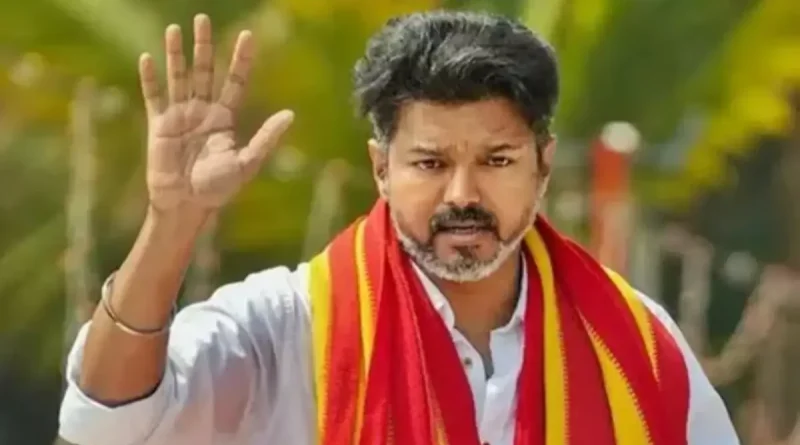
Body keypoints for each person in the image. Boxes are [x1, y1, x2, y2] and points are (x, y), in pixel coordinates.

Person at [58, 10, 739, 445]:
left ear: (544, 165)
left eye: (497, 160)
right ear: (381, 168)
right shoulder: (289, 326)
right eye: (430, 163)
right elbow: (105, 421)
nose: (462, 195)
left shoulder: (635, 345)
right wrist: (171, 224)